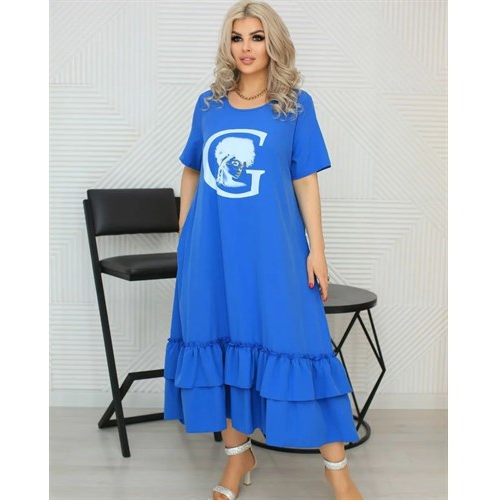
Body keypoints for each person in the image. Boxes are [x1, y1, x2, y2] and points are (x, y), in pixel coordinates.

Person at [163, 1, 363, 499]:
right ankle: (238, 459)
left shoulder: (294, 106)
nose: (246, 47)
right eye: (237, 37)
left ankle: (337, 471)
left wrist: (317, 250)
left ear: (273, 43)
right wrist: (186, 233)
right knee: (221, 343)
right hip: (211, 251)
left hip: (275, 250)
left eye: (256, 37)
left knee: (302, 343)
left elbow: (306, 180)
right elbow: (192, 168)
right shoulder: (208, 104)